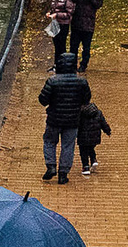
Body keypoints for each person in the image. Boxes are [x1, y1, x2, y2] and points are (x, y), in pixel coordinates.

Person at [37, 53, 91, 184]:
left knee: (49, 141)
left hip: (54, 119)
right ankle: (63, 174)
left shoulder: (52, 81)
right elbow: (86, 99)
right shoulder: (82, 82)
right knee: (68, 146)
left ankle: (51, 166)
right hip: (72, 120)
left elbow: (43, 100)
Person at [67, 0, 99, 69]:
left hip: (88, 25)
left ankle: (83, 64)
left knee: (86, 47)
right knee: (73, 46)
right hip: (76, 24)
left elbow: (98, 4)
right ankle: (72, 65)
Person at [77, 101, 111, 178]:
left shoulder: (80, 113)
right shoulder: (98, 112)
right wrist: (108, 131)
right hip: (95, 136)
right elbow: (103, 123)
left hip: (83, 136)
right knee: (90, 148)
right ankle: (93, 160)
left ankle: (86, 167)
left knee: (83, 151)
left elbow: (76, 124)